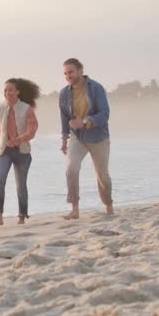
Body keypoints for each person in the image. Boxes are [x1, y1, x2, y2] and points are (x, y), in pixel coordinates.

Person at [58, 58, 113, 219]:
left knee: (102, 175)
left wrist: (84, 121)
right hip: (78, 138)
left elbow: (104, 114)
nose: (68, 76)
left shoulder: (96, 88)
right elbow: (64, 117)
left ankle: (108, 204)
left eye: (71, 72)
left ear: (81, 70)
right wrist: (64, 139)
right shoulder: (64, 93)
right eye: (65, 73)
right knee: (71, 169)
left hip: (98, 137)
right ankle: (75, 209)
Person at [0, 78, 40, 226]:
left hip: (22, 152)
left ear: (17, 91)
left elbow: (32, 131)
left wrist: (19, 139)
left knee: (21, 185)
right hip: (4, 151)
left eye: (10, 90)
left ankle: (22, 216)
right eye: (5, 90)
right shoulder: (0, 110)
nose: (7, 93)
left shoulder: (27, 108)